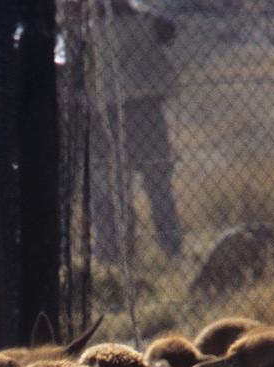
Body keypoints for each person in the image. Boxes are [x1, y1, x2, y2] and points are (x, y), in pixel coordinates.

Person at [87, 0, 181, 260]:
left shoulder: (90, 29)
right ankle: (171, 246)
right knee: (158, 184)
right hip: (147, 109)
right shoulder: (147, 23)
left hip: (107, 112)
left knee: (110, 186)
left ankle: (113, 251)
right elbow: (170, 30)